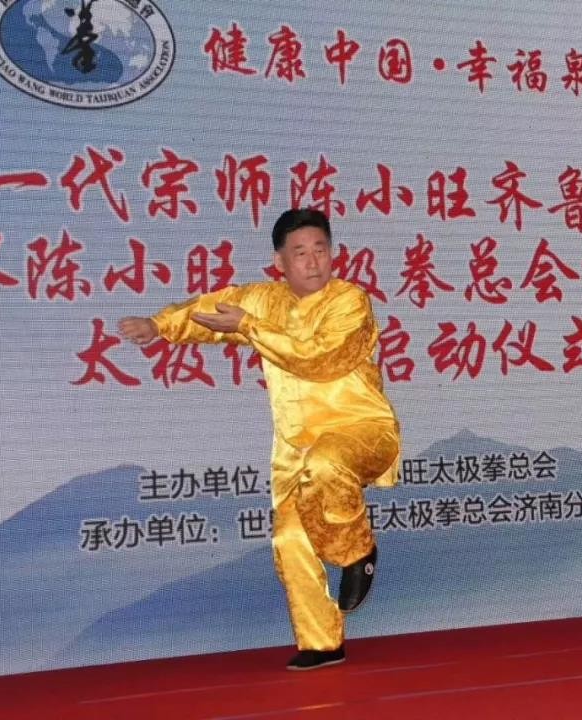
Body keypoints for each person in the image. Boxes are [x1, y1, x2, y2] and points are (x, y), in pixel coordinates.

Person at [118, 208, 400, 670]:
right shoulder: (263, 301)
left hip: (361, 431)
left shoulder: (350, 301)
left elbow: (319, 358)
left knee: (326, 462)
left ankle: (357, 551)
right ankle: (321, 643)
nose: (313, 260)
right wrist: (160, 326)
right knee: (289, 537)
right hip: (295, 447)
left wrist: (249, 327)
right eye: (300, 252)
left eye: (320, 249)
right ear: (280, 261)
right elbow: (210, 310)